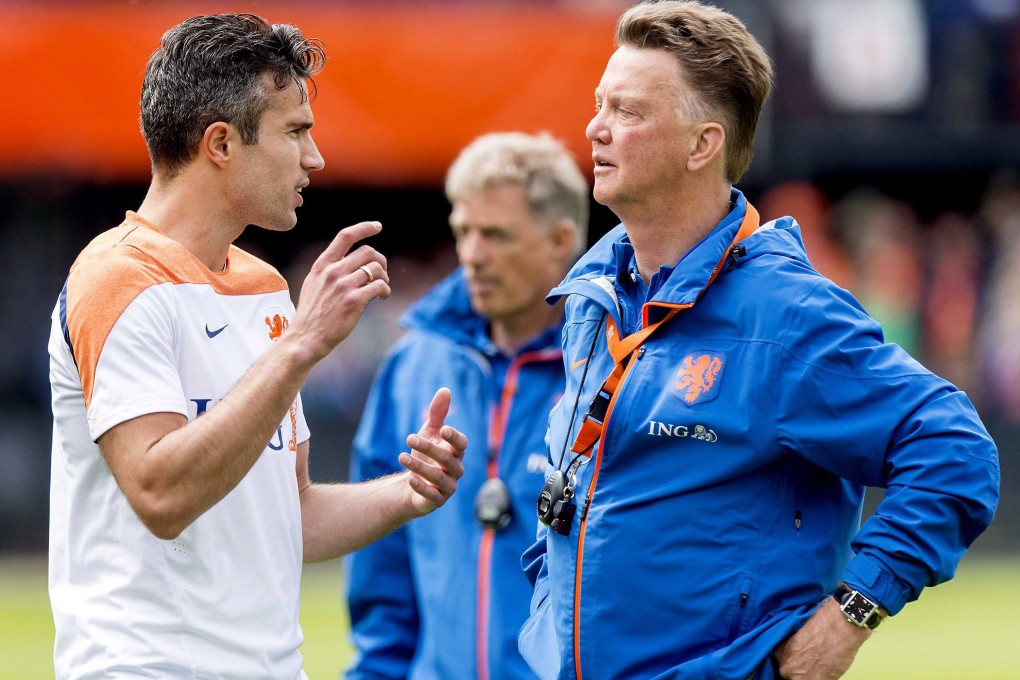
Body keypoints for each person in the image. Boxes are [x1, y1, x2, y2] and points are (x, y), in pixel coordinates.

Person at [517, 3, 1000, 680]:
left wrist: (849, 617)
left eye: (626, 111)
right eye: (600, 105)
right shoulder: (594, 297)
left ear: (701, 144)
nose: (595, 128)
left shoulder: (786, 316)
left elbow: (956, 452)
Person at [47, 14, 466, 679]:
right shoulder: (117, 278)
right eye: (295, 131)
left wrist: (407, 494)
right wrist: (301, 344)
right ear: (221, 142)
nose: (315, 158)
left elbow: (287, 513)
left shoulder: (263, 286)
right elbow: (160, 496)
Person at [345, 132, 589, 680]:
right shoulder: (412, 366)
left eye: (496, 235)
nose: (472, 256)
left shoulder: (608, 372)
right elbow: (382, 570)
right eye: (464, 232)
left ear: (560, 239)